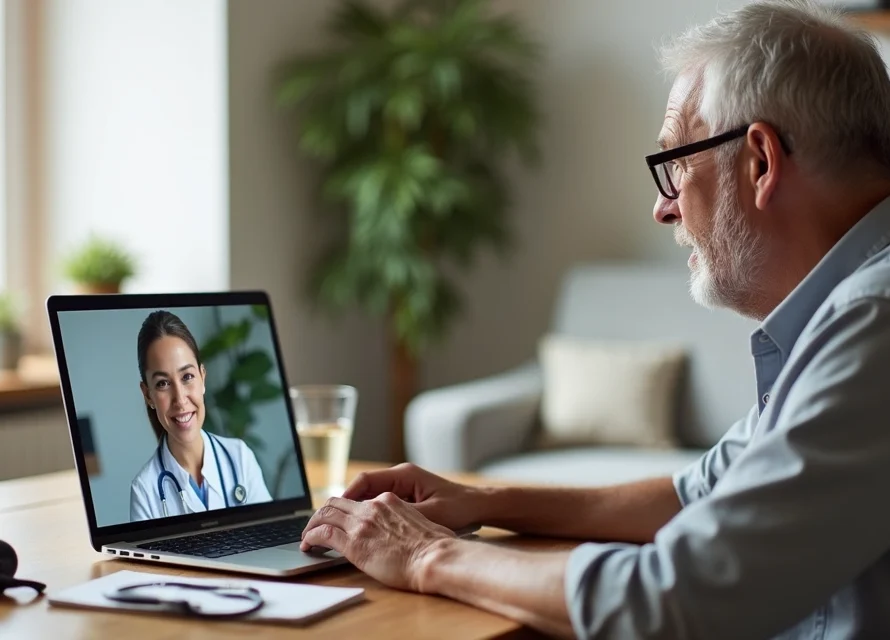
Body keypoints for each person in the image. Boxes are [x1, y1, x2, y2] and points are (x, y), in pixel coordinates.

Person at [298, 1, 890, 637]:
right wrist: (483, 500)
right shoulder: (846, 312)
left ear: (760, 162)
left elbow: (678, 597)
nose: (662, 209)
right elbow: (700, 492)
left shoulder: (872, 322)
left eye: (676, 164)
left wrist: (424, 554)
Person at [129, 310, 272, 521]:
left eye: (187, 376)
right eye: (163, 383)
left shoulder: (239, 457)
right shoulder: (144, 491)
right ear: (148, 395)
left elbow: (268, 537)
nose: (180, 398)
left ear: (203, 379)